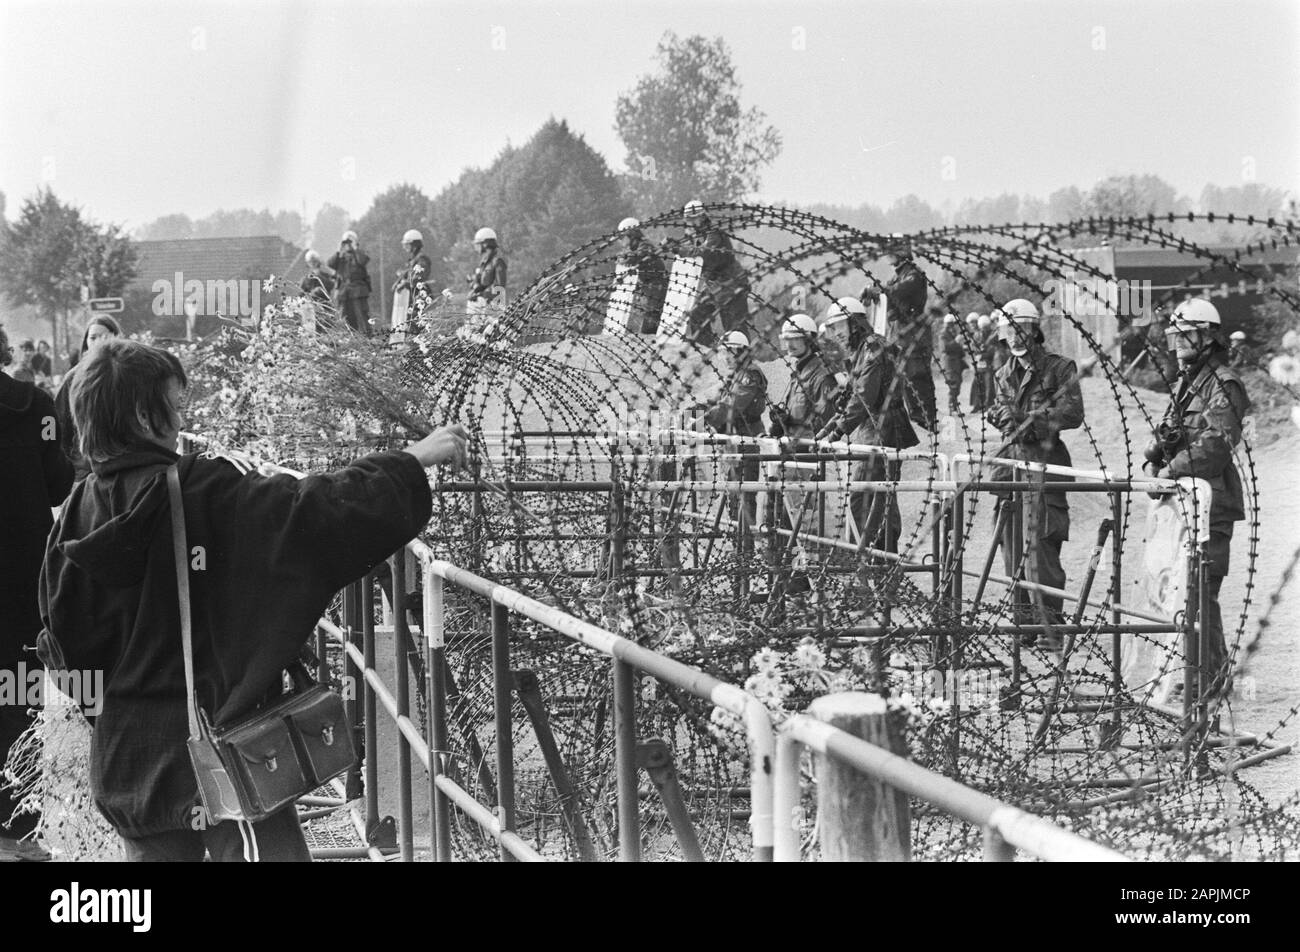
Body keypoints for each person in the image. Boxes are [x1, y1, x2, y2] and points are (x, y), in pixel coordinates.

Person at [38, 339, 468, 862]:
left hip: (129, 764)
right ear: (140, 415)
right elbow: (313, 513)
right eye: (173, 405)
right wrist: (408, 463)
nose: (180, 418)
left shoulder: (73, 518)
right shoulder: (202, 488)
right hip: (224, 763)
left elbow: (63, 649)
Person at [1142, 299, 1250, 699]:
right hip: (1180, 501)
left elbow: (1217, 444)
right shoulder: (1186, 383)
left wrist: (1173, 469)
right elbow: (1172, 433)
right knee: (1180, 589)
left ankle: (1211, 677)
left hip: (1211, 500)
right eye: (1174, 336)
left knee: (1203, 587)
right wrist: (1154, 459)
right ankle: (1204, 673)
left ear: (1208, 337)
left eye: (1185, 335)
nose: (1177, 344)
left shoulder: (1224, 383)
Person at [0, 325, 74, 862]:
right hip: (19, 578)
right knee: (17, 697)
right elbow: (57, 486)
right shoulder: (36, 408)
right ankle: (16, 828)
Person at [985, 299, 1085, 650]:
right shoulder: (1002, 372)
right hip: (1010, 468)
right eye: (1008, 331)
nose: (1014, 338)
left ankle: (1051, 628)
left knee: (1040, 552)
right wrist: (1004, 417)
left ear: (1034, 330)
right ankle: (1024, 625)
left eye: (1020, 330)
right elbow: (996, 408)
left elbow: (1072, 412)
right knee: (1012, 553)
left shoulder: (1058, 368)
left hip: (1043, 465)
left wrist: (1031, 421)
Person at [816, 298, 918, 554]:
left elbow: (863, 397)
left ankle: (872, 565)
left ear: (854, 323)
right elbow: (849, 398)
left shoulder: (872, 349)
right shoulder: (862, 350)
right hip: (872, 429)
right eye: (832, 327)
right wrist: (826, 431)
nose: (836, 333)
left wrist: (837, 431)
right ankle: (883, 568)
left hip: (882, 431)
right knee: (880, 504)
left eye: (839, 326)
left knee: (865, 501)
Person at [697, 331, 768, 544]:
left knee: (745, 496)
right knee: (734, 497)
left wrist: (702, 419)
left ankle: (744, 551)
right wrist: (697, 410)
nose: (725, 357)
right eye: (723, 353)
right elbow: (719, 401)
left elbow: (732, 406)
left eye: (729, 352)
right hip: (733, 443)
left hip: (745, 442)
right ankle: (739, 546)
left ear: (740, 351)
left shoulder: (750, 374)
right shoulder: (736, 375)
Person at [869, 242, 936, 431]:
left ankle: (927, 419)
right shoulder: (896, 276)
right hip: (899, 332)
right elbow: (889, 299)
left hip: (914, 334)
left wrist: (880, 290)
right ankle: (917, 417)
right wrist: (874, 294)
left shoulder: (914, 275)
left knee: (916, 375)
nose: (888, 255)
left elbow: (898, 291)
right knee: (901, 375)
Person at [54, 315, 121, 481]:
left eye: (104, 336)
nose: (98, 342)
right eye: (93, 337)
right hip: (82, 469)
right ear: (86, 342)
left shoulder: (125, 376)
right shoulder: (73, 377)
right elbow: (59, 421)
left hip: (120, 465)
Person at [677, 200, 750, 345]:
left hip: (731, 284)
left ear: (702, 217)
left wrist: (680, 249)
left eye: (693, 219)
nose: (690, 222)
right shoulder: (700, 235)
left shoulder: (713, 233)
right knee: (697, 315)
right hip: (713, 284)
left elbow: (706, 255)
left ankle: (742, 357)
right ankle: (709, 350)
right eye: (688, 220)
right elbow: (695, 252)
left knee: (734, 327)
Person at [770, 313, 838, 443]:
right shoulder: (798, 372)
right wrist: (783, 421)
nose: (789, 345)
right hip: (792, 448)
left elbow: (826, 421)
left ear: (809, 341)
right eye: (786, 340)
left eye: (795, 339)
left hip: (809, 452)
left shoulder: (821, 374)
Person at [614, 217, 667, 334]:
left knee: (649, 327)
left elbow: (635, 258)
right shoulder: (634, 247)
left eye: (623, 237)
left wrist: (624, 258)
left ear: (631, 235)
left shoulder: (644, 245)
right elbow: (625, 258)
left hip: (656, 289)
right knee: (648, 324)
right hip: (649, 290)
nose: (620, 240)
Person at [327, 230, 372, 335]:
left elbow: (363, 261)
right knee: (344, 317)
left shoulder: (360, 254)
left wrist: (355, 247)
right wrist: (339, 250)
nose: (348, 245)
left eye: (350, 242)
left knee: (361, 316)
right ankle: (347, 337)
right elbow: (330, 264)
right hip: (344, 292)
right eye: (346, 243)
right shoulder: (340, 256)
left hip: (358, 290)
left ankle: (367, 338)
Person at [393, 229, 433, 331]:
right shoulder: (413, 259)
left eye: (407, 244)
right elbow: (408, 272)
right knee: (410, 321)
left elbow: (419, 276)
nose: (405, 247)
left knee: (416, 322)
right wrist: (398, 282)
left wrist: (404, 284)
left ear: (414, 245)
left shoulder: (421, 259)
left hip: (421, 295)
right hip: (412, 295)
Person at [467, 227, 507, 311]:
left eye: (478, 244)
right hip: (481, 306)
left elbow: (499, 290)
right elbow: (482, 285)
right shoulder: (484, 263)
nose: (476, 247)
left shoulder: (498, 261)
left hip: (491, 308)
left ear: (485, 244)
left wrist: (482, 295)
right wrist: (474, 285)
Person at [940, 314, 966, 415]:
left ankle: (954, 406)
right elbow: (944, 348)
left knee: (958, 384)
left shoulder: (952, 333)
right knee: (953, 385)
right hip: (949, 363)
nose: (952, 326)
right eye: (950, 324)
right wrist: (956, 341)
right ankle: (952, 407)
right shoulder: (943, 334)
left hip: (956, 363)